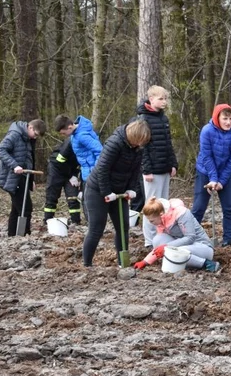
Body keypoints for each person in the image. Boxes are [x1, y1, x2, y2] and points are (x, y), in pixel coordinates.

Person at [82, 119, 151, 266]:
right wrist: (106, 192)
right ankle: (87, 264)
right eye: (139, 141)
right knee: (96, 229)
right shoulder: (115, 143)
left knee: (123, 227)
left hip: (119, 191)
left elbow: (136, 170)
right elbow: (102, 169)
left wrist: (131, 189)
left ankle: (122, 262)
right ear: (133, 136)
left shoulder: (138, 148)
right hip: (97, 190)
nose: (140, 145)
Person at [191, 104, 231, 246]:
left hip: (226, 173)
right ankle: (190, 237)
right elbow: (207, 156)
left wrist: (221, 181)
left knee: (230, 207)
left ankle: (227, 240)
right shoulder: (207, 131)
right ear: (217, 118)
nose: (228, 122)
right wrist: (213, 179)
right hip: (205, 171)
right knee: (199, 207)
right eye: (225, 118)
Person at [136, 86, 178, 247]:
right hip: (152, 171)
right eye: (161, 99)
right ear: (151, 99)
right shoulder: (143, 119)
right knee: (151, 205)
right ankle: (149, 241)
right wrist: (146, 169)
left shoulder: (163, 119)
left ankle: (162, 236)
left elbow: (168, 144)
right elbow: (142, 146)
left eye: (165, 99)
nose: (164, 102)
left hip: (165, 168)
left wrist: (173, 164)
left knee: (163, 205)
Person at [135, 197, 219, 272]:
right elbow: (159, 247)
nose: (151, 223)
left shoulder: (181, 213)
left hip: (202, 247)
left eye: (152, 221)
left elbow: (190, 238)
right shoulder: (161, 221)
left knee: (173, 252)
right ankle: (183, 261)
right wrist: (145, 261)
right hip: (185, 247)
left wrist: (166, 247)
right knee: (158, 240)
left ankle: (207, 263)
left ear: (160, 214)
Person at [0, 118, 47, 236]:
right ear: (30, 128)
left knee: (16, 208)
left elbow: (29, 159)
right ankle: (23, 235)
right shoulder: (14, 135)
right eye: (35, 134)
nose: (35, 137)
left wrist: (31, 180)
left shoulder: (27, 139)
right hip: (11, 177)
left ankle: (12, 235)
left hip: (23, 177)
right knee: (25, 208)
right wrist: (14, 165)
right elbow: (0, 150)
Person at [43, 120, 83, 226]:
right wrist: (70, 176)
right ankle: (48, 221)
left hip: (71, 171)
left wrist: (75, 175)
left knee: (73, 196)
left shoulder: (84, 142)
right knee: (52, 196)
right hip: (56, 169)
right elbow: (60, 161)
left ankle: (76, 221)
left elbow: (80, 163)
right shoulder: (70, 142)